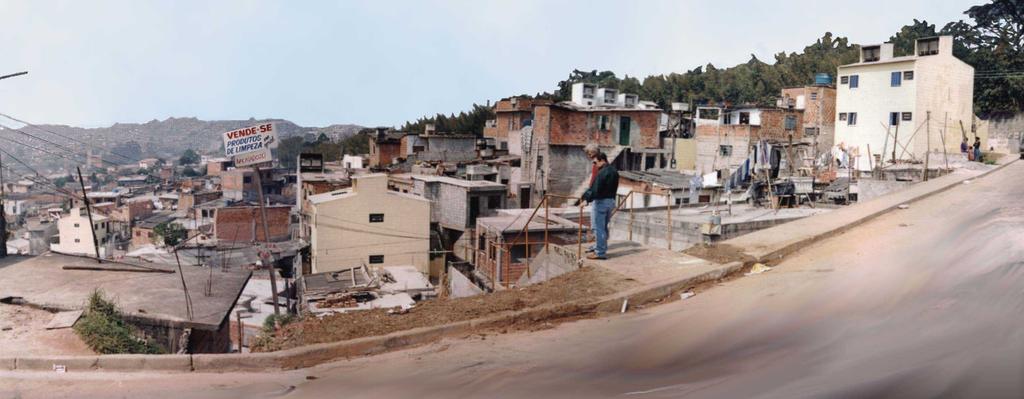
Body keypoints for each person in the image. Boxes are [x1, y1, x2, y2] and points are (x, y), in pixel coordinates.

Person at [583, 153, 618, 260]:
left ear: (602, 160)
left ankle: (600, 252)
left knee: (598, 228)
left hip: (601, 202)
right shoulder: (614, 171)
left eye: (595, 162)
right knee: (603, 227)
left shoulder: (602, 172)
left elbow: (596, 189)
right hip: (611, 201)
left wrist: (586, 200)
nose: (594, 164)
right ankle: (599, 246)